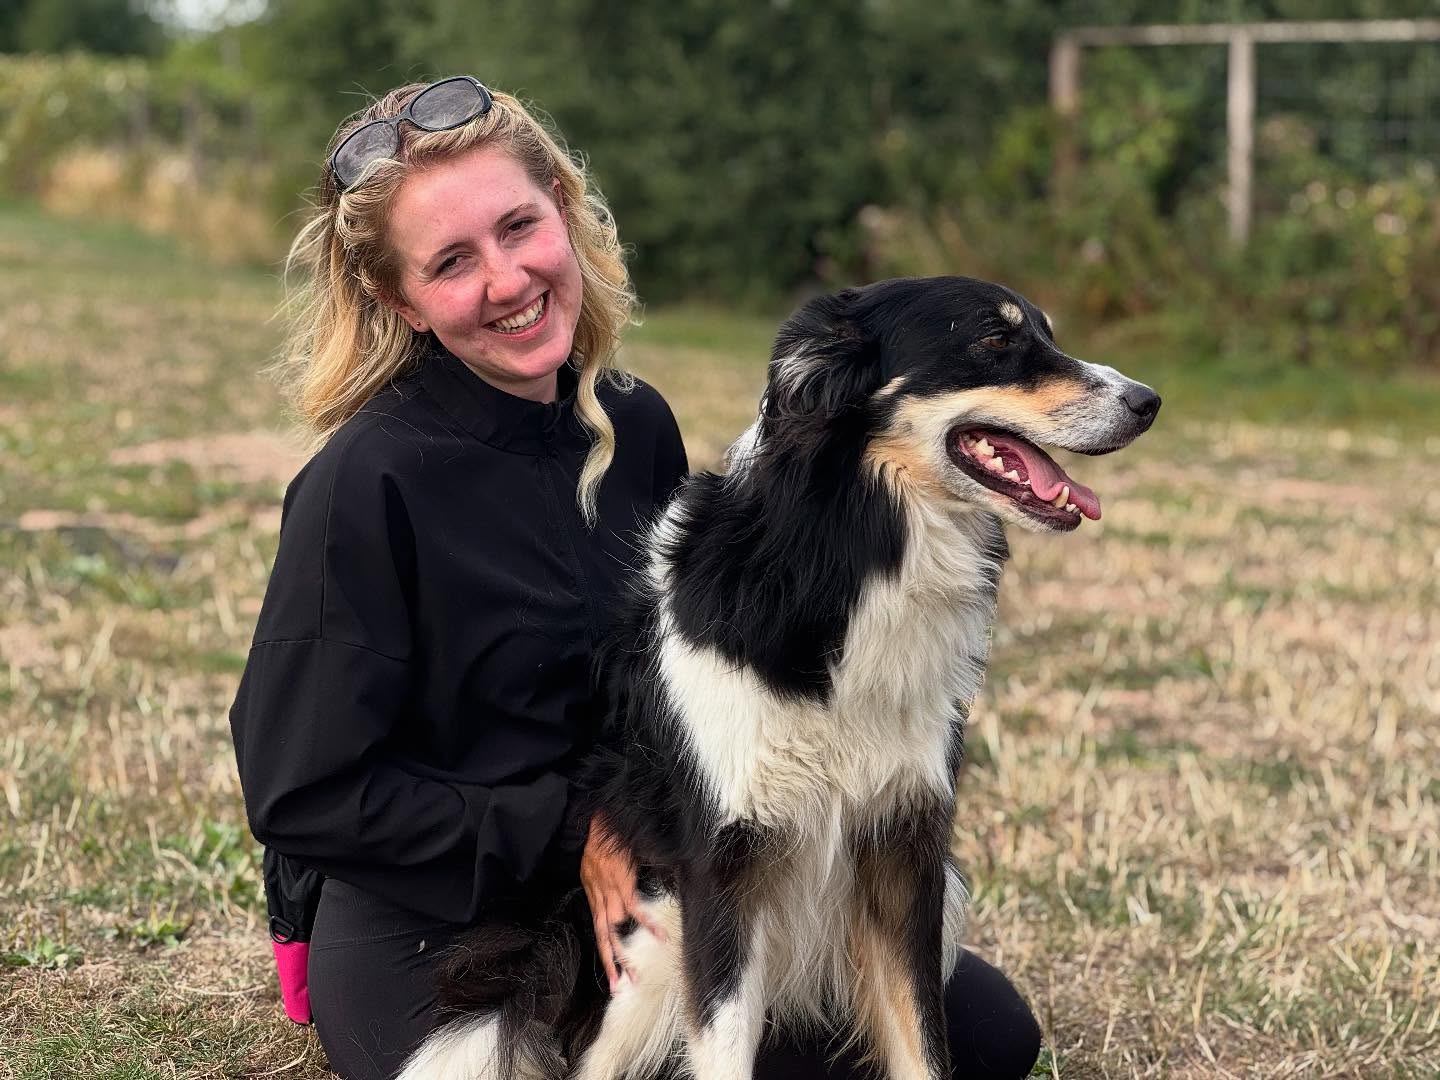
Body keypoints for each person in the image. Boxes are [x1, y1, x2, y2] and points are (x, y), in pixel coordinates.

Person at [229, 76, 1042, 1080]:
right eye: (452, 261)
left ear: (564, 214)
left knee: (989, 1034)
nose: (507, 279)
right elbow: (304, 795)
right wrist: (568, 830)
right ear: (404, 301)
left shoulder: (634, 420)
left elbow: (680, 693)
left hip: (644, 876)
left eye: (519, 227)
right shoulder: (360, 485)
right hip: (438, 934)